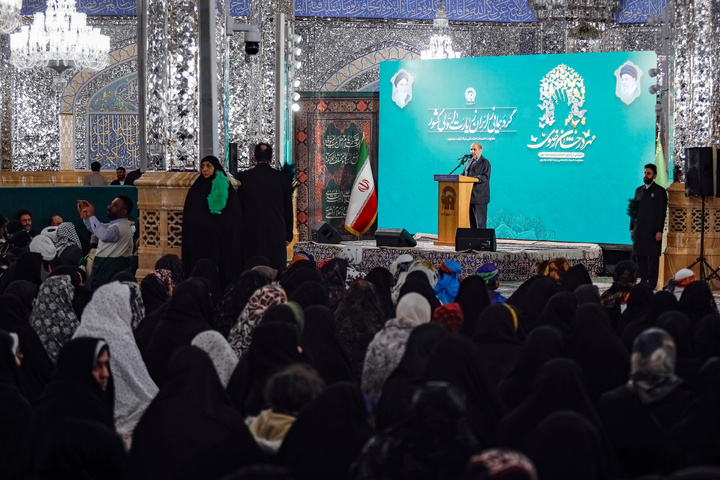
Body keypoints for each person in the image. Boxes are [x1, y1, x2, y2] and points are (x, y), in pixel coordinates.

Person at [181, 155, 243, 289]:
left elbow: (233, 216)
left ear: (216, 167)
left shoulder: (225, 187)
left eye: (209, 166)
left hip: (220, 240)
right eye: (202, 166)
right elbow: (190, 214)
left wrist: (217, 227)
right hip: (200, 240)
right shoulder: (196, 188)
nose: (205, 169)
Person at [238, 143, 294, 274]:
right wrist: (288, 234)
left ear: (254, 157)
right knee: (275, 271)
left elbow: (239, 208)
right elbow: (288, 208)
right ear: (271, 158)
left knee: (252, 270)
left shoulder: (243, 177)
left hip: (251, 233)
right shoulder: (282, 178)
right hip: (276, 233)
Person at [78, 196, 134, 289]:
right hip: (104, 270)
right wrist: (87, 217)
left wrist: (92, 216)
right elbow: (96, 229)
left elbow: (103, 235)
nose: (109, 207)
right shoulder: (116, 225)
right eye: (111, 204)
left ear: (124, 211)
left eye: (114, 206)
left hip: (111, 272)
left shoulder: (121, 227)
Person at [630, 163, 667, 290]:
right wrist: (631, 228)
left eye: (649, 173)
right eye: (645, 173)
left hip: (653, 231)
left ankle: (652, 283)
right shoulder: (638, 190)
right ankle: (643, 279)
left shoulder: (660, 191)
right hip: (639, 229)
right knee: (640, 256)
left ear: (654, 176)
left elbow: (661, 212)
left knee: (652, 258)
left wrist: (659, 230)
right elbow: (633, 211)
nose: (646, 175)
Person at [463, 143, 491, 229]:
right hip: (469, 197)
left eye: (474, 149)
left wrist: (471, 179)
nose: (472, 151)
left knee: (480, 224)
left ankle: (482, 242)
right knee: (471, 224)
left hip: (480, 198)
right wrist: (457, 178)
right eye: (471, 149)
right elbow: (464, 174)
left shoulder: (485, 162)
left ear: (480, 150)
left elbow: (485, 177)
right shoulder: (469, 162)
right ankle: (473, 241)